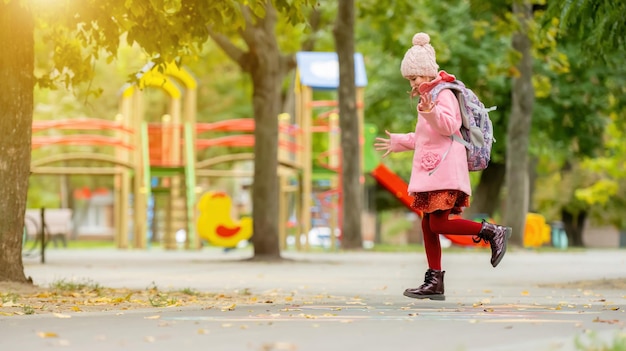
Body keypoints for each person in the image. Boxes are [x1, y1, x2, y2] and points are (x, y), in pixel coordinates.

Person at [374, 32, 511, 301]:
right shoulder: (429, 98)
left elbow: (449, 126)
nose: (412, 83)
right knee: (429, 225)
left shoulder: (443, 93)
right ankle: (434, 281)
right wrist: (400, 141)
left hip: (445, 171)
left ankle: (492, 231)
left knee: (437, 224)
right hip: (434, 170)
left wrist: (431, 110)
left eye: (414, 78)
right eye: (409, 79)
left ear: (426, 73)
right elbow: (428, 138)